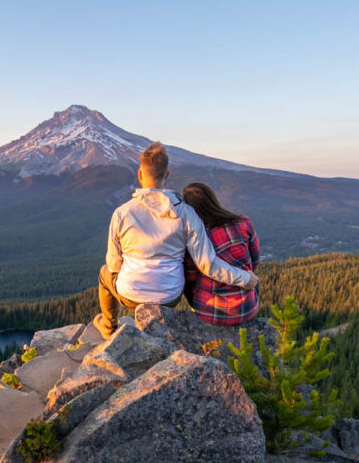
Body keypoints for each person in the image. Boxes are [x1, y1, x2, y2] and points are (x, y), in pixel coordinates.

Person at [94, 143, 258, 339]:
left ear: (140, 174)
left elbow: (114, 264)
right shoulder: (186, 213)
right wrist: (246, 279)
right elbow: (207, 264)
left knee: (104, 274)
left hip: (131, 295)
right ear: (167, 174)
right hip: (169, 296)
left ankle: (109, 326)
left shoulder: (122, 213)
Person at [182, 182, 260, 325]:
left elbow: (191, 277)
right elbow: (254, 260)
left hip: (210, 311)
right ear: (213, 200)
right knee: (253, 277)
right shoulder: (242, 223)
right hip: (246, 308)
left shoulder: (196, 239)